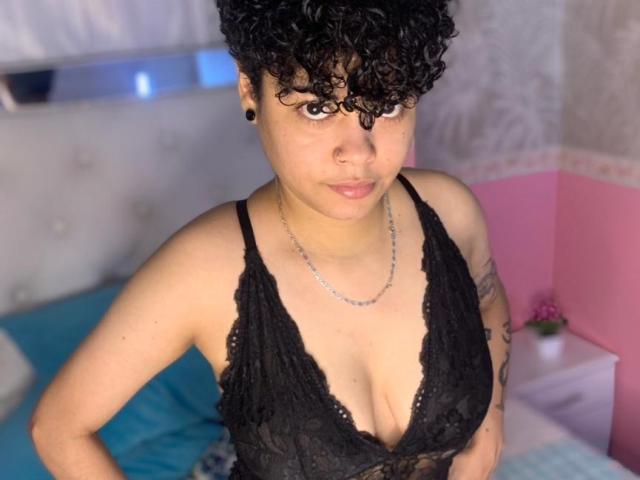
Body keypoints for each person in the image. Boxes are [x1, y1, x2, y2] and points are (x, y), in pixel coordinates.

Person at [29, 0, 512, 478]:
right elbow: (57, 428)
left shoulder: (449, 212)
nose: (358, 152)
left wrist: (489, 426)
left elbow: (488, 300)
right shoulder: (203, 268)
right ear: (249, 90)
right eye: (317, 108)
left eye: (386, 105)